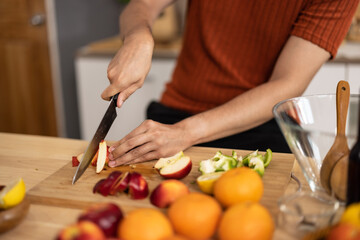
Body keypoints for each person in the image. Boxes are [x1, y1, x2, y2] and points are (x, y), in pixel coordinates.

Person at [101, 0, 359, 167]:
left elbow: (288, 82)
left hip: (262, 123)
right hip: (175, 113)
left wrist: (185, 133)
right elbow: (142, 5)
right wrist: (138, 37)